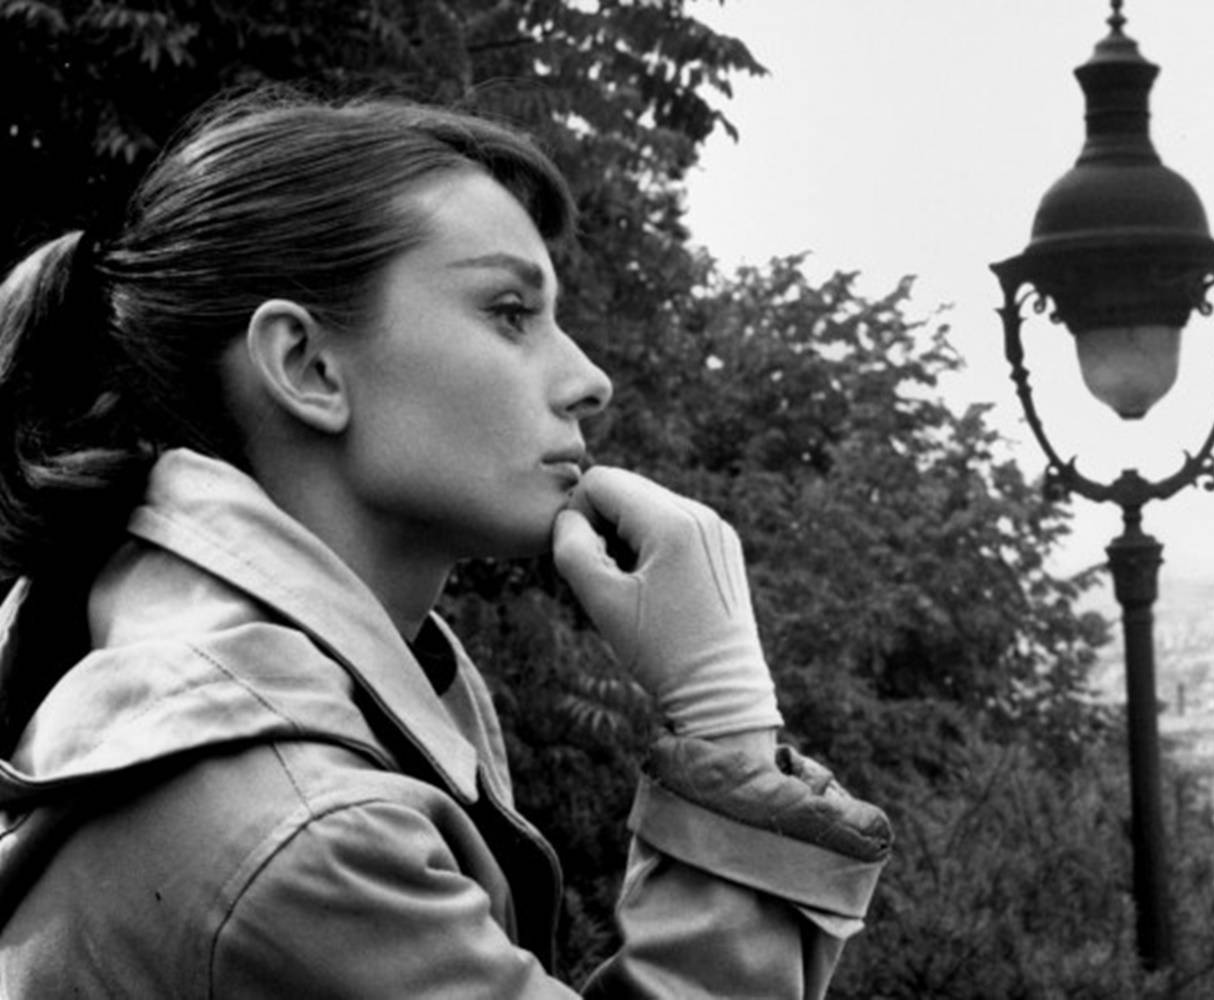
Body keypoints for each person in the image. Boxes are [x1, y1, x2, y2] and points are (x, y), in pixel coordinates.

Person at [0, 91, 891, 998]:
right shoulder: (303, 834)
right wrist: (729, 725)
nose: (591, 380)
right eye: (510, 311)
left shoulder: (144, 665)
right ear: (308, 367)